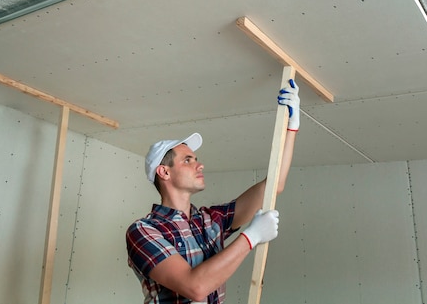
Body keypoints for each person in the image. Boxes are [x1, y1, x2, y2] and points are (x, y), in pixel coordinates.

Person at [126, 79, 300, 304]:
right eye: (187, 160)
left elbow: (273, 186)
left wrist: (292, 126)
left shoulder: (210, 221)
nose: (200, 165)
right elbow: (195, 287)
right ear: (164, 172)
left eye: (196, 159)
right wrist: (252, 236)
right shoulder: (143, 231)